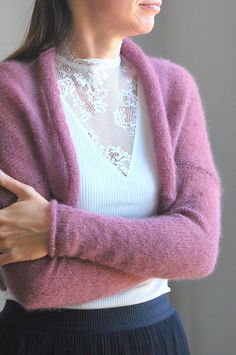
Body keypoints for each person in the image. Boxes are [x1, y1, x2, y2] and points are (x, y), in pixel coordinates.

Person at [0, 0, 223, 354]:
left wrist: (58, 230)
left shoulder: (175, 89)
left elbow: (199, 249)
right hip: (47, 342)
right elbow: (37, 282)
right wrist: (163, 251)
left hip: (155, 339)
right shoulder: (10, 92)